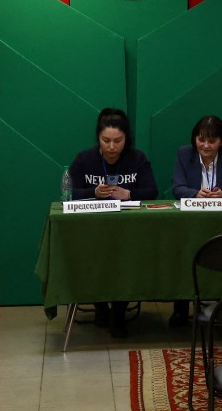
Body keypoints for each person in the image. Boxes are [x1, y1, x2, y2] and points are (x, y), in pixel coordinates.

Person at [68, 107, 159, 338]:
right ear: (98, 138)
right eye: (105, 140)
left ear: (126, 139)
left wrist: (129, 195)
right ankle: (100, 307)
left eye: (117, 141)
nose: (111, 147)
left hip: (129, 232)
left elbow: (152, 191)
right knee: (93, 258)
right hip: (92, 231)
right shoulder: (84, 159)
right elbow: (69, 193)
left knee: (126, 260)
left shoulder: (137, 158)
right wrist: (93, 192)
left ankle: (118, 313)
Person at [170, 115, 222, 325]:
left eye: (212, 141)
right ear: (194, 138)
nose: (205, 145)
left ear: (221, 141)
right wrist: (195, 193)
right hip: (191, 223)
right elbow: (178, 188)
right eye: (200, 139)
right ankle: (180, 307)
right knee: (185, 254)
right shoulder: (184, 154)